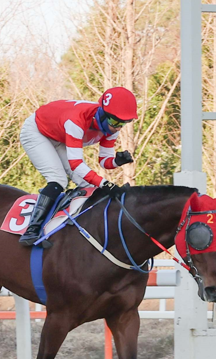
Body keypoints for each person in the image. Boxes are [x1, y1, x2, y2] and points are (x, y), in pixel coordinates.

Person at [17, 87, 138, 246]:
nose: (117, 128)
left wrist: (117, 161)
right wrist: (105, 184)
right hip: (37, 132)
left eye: (123, 123)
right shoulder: (77, 120)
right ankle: (31, 231)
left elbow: (104, 161)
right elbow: (76, 164)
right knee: (58, 180)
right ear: (102, 114)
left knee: (88, 185)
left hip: (59, 135)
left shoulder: (111, 127)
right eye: (115, 122)